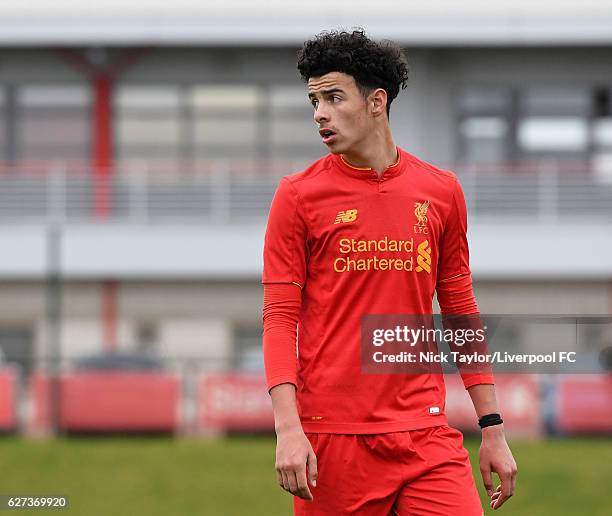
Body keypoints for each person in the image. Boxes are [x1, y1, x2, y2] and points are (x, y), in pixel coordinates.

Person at [262, 29, 517, 515]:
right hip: (334, 443)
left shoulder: (441, 191)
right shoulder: (296, 196)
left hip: (426, 437)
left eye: (334, 97)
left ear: (376, 101)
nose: (320, 113)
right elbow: (279, 318)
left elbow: (461, 313)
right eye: (314, 100)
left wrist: (493, 427)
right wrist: (288, 429)